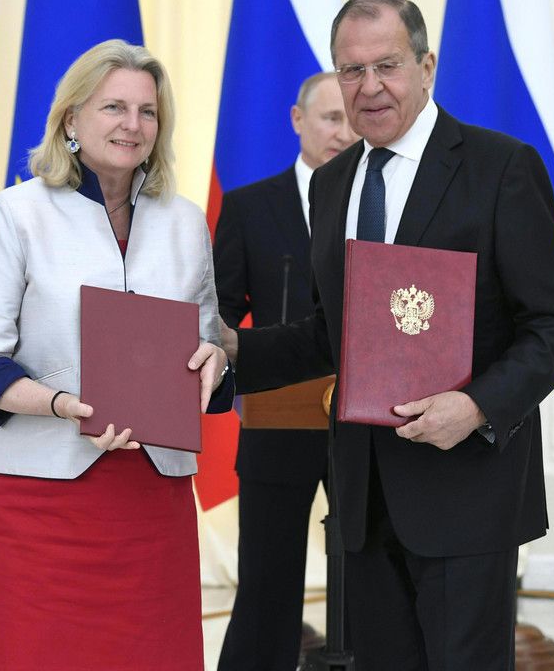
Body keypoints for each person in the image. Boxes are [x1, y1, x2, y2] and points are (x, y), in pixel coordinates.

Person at [221, 0, 554, 671]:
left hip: (466, 493)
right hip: (362, 499)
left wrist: (476, 406)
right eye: (351, 70)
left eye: (386, 65)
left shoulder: (501, 168)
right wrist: (237, 349)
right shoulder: (332, 184)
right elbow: (334, 333)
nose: (369, 87)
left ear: (426, 66)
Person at [0, 39, 233, 670]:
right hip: (37, 500)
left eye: (147, 111)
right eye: (114, 108)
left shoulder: (185, 222)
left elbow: (205, 340)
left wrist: (214, 363)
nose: (133, 124)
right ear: (71, 118)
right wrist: (62, 404)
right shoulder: (14, 214)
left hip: (152, 497)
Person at [214, 71, 358, 671]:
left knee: (370, 581)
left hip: (369, 425)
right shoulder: (250, 207)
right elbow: (221, 314)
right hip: (277, 422)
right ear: (298, 120)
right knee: (267, 586)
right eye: (331, 118)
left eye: (353, 119)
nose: (344, 133)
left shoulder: (387, 198)